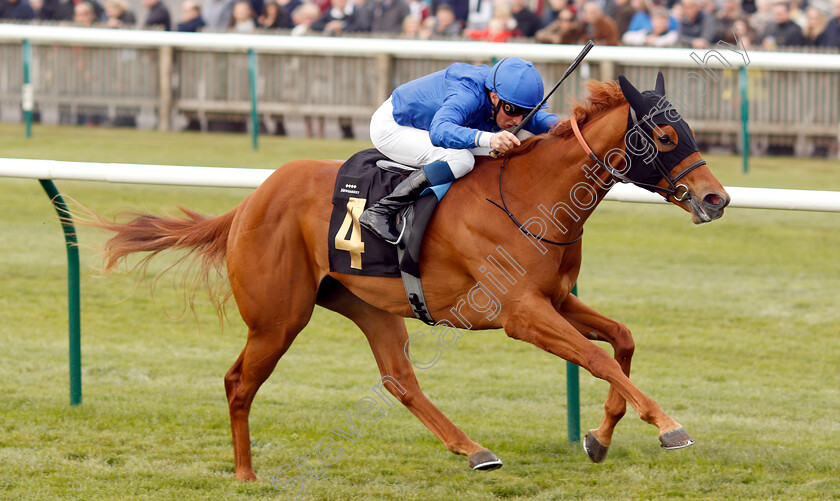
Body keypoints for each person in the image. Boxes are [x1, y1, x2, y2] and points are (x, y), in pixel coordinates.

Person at [358, 57, 560, 243]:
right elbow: (439, 132)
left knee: (499, 158)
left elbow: (539, 120)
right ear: (495, 97)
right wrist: (490, 138)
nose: (518, 121)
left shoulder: (504, 95)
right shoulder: (467, 92)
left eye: (525, 113)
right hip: (395, 126)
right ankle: (381, 211)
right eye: (512, 111)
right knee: (461, 159)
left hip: (428, 126)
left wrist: (573, 128)